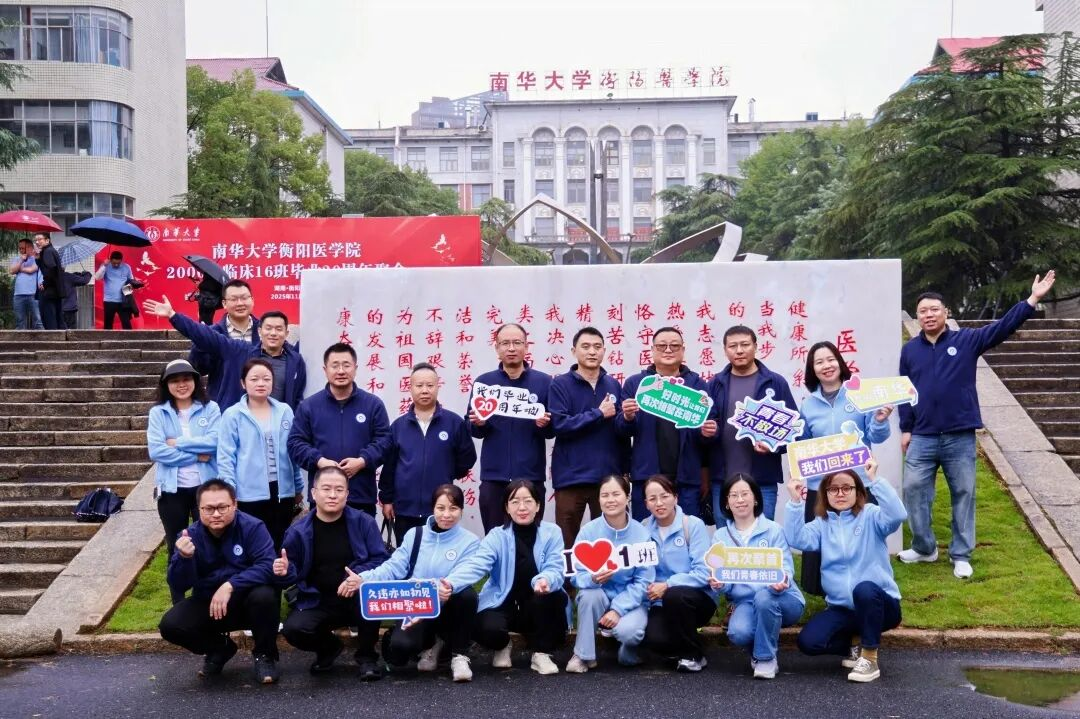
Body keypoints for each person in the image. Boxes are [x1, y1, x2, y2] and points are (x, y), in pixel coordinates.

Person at [898, 272, 1056, 579]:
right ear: (917, 317)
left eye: (934, 309)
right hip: (923, 435)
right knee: (913, 489)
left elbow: (1002, 327)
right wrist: (906, 428)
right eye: (923, 311)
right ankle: (924, 547)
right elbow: (904, 391)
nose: (928, 315)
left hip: (959, 434)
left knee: (964, 492)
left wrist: (1032, 300)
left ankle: (961, 554)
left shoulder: (967, 340)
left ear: (946, 312)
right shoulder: (910, 350)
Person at [784, 457, 907, 683]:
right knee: (808, 642)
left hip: (880, 606)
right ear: (825, 494)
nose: (840, 494)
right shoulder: (822, 524)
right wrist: (795, 500)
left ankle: (869, 658)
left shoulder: (871, 515)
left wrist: (875, 480)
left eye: (847, 488)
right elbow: (796, 538)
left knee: (864, 589)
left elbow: (898, 515)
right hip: (842, 609)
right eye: (833, 489)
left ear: (858, 491)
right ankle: (856, 644)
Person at [158, 479, 281, 684]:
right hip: (209, 603)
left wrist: (231, 585)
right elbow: (178, 584)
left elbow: (268, 565)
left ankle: (264, 655)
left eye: (222, 507)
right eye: (209, 509)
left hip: (248, 601)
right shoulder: (189, 536)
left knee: (266, 596)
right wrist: (184, 558)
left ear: (235, 505)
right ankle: (220, 649)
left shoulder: (253, 527)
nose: (216, 514)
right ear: (199, 509)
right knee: (171, 625)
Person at [444, 480, 568, 675]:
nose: (522, 507)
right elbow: (477, 565)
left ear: (538, 505)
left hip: (537, 603)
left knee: (554, 597)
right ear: (507, 508)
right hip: (502, 603)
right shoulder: (496, 536)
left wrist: (545, 580)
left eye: (528, 501)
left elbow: (556, 566)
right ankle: (503, 645)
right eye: (515, 502)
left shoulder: (552, 532)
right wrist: (451, 583)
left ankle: (541, 653)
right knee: (484, 628)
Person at [359, 484, 480, 683]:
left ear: (461, 510)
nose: (446, 515)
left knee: (467, 595)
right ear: (433, 509)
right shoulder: (415, 535)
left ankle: (459, 655)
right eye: (441, 508)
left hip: (449, 606)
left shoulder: (470, 541)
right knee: (398, 653)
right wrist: (363, 578)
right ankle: (432, 644)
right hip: (416, 605)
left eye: (453, 508)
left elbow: (467, 571)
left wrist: (446, 587)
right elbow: (393, 567)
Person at [798, 341, 892, 594]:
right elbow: (802, 444)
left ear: (840, 363)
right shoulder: (807, 405)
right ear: (812, 369)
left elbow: (877, 435)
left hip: (858, 482)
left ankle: (866, 590)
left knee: (862, 541)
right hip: (821, 486)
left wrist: (880, 420)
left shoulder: (859, 396)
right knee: (822, 538)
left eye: (831, 359)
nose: (826, 366)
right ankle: (824, 592)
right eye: (819, 362)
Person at [276, 467, 389, 679]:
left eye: (339, 489)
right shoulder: (298, 531)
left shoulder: (363, 522)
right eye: (326, 489)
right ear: (313, 493)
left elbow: (380, 559)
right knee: (293, 629)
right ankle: (328, 648)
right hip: (317, 600)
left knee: (371, 599)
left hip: (355, 596)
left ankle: (367, 657)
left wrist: (357, 577)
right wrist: (284, 571)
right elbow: (292, 569)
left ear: (347, 493)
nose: (332, 495)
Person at [709, 473, 804, 679]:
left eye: (745, 493)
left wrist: (782, 581)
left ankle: (765, 658)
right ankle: (759, 649)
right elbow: (724, 579)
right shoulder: (720, 536)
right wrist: (719, 584)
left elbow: (786, 568)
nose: (740, 500)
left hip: (782, 598)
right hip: (746, 602)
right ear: (726, 502)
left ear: (756, 498)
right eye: (734, 495)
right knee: (737, 632)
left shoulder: (773, 530)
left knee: (764, 598)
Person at [616, 326, 717, 520]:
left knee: (687, 530)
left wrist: (708, 432)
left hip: (686, 479)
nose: (668, 350)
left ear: (683, 350)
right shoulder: (636, 384)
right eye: (662, 346)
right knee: (645, 532)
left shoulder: (697, 385)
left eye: (674, 346)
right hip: (646, 477)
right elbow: (620, 430)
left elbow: (710, 430)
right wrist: (627, 417)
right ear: (652, 350)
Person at [142, 295, 306, 411]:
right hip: (245, 423)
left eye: (278, 329)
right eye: (268, 328)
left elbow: (297, 396)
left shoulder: (295, 360)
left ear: (286, 333)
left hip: (280, 426)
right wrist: (173, 316)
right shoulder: (241, 350)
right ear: (259, 331)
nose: (273, 333)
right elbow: (208, 336)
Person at [147, 359, 221, 604]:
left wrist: (177, 443)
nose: (182, 385)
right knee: (175, 545)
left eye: (186, 379)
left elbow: (214, 442)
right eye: (175, 381)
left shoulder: (210, 409)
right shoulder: (158, 413)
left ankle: (206, 598)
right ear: (166, 385)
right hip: (172, 490)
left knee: (208, 544)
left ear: (195, 382)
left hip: (205, 489)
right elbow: (157, 451)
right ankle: (178, 603)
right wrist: (197, 455)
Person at [287, 343, 391, 517]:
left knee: (361, 535)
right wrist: (320, 461)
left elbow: (385, 441)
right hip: (322, 496)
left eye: (346, 365)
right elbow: (295, 443)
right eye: (335, 366)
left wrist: (362, 461)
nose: (341, 371)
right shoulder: (309, 406)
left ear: (355, 368)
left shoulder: (373, 404)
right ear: (325, 369)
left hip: (360, 495)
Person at [706, 325, 797, 521]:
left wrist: (773, 446)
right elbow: (706, 431)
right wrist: (707, 432)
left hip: (762, 481)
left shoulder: (775, 382)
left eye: (745, 344)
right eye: (733, 346)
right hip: (723, 482)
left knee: (762, 535)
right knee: (725, 537)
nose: (739, 350)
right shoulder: (714, 384)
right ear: (725, 350)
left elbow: (793, 432)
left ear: (755, 346)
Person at [468, 323, 553, 531]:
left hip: (530, 476)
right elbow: (472, 429)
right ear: (497, 348)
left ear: (526, 346)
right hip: (494, 477)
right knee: (494, 536)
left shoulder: (544, 382)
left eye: (517, 343)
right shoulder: (484, 383)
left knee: (530, 537)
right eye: (505, 343)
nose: (511, 348)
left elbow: (553, 430)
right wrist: (479, 423)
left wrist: (544, 425)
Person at [565, 474, 653, 673]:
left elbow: (644, 581)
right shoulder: (588, 531)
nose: (610, 500)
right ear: (598, 499)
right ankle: (583, 655)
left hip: (630, 601)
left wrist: (618, 609)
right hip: (600, 596)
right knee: (588, 595)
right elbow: (576, 574)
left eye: (616, 494)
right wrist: (592, 578)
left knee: (629, 632)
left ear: (627, 497)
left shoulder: (642, 534)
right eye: (605, 495)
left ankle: (629, 651)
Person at [549, 327, 628, 548]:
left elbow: (620, 431)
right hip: (570, 478)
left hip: (607, 478)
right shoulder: (560, 384)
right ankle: (569, 573)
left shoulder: (613, 384)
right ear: (574, 351)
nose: (592, 352)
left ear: (604, 351)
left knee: (609, 540)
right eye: (585, 347)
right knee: (567, 541)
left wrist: (625, 469)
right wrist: (598, 414)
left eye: (597, 347)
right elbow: (559, 425)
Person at [380, 362, 476, 544]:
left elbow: (467, 458)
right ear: (410, 388)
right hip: (405, 508)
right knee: (407, 555)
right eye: (419, 385)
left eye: (430, 385)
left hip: (441, 510)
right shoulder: (398, 426)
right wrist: (387, 499)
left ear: (438, 387)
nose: (425, 390)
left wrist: (446, 472)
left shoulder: (454, 423)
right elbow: (390, 466)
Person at [216, 358, 304, 550]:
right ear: (243, 383)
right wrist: (229, 492)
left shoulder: (284, 411)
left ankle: (277, 570)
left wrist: (298, 487)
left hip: (282, 491)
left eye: (266, 379)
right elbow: (225, 458)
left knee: (280, 541)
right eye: (254, 379)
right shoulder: (233, 415)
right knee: (253, 543)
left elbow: (292, 453)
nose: (261, 383)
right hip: (248, 493)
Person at [640, 475, 717, 673]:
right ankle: (681, 642)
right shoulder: (643, 529)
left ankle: (693, 655)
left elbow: (704, 572)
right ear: (646, 504)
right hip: (659, 602)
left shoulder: (692, 525)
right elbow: (641, 571)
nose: (659, 503)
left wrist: (668, 584)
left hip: (696, 599)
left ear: (675, 497)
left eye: (664, 496)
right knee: (655, 640)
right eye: (652, 499)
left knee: (675, 595)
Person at [188, 279, 260, 401]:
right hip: (223, 403)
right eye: (233, 299)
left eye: (244, 298)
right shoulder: (213, 333)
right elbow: (199, 369)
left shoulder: (265, 330)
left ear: (252, 300)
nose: (240, 303)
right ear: (224, 303)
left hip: (260, 403)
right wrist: (201, 341)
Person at [95, 250, 136, 330]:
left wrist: (128, 293)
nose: (116, 265)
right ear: (110, 260)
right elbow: (97, 277)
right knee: (108, 324)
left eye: (118, 263)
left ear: (121, 260)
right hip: (109, 301)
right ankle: (108, 338)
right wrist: (104, 266)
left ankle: (129, 338)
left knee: (127, 324)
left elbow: (131, 281)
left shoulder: (126, 267)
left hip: (123, 301)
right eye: (114, 263)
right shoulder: (105, 266)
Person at [33, 232, 65, 330]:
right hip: (55, 291)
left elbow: (51, 269)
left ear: (47, 240)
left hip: (49, 292)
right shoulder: (50, 250)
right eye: (35, 240)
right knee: (57, 319)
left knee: (49, 320)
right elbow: (48, 268)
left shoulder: (47, 251)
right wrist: (38, 259)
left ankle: (54, 339)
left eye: (40, 239)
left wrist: (45, 283)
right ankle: (59, 338)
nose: (37, 242)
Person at [9, 238, 43, 330]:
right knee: (19, 321)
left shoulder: (36, 258)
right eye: (19, 248)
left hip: (33, 294)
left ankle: (41, 338)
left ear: (30, 247)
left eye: (22, 248)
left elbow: (32, 269)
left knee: (38, 320)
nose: (20, 250)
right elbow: (12, 271)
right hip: (18, 294)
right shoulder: (17, 259)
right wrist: (21, 261)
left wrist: (19, 269)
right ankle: (20, 339)